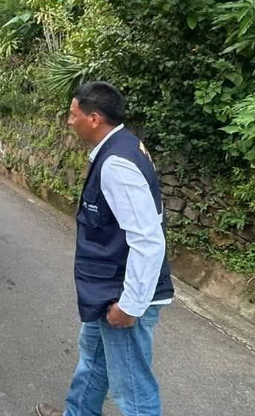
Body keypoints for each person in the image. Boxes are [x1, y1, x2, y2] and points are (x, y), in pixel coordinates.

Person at [35, 82, 174, 416]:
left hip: (122, 295)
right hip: (108, 291)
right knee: (93, 358)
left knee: (133, 388)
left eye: (73, 115)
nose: (69, 121)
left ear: (94, 118)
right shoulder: (123, 146)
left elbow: (147, 239)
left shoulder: (117, 164)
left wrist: (129, 305)